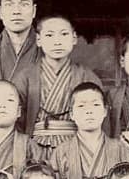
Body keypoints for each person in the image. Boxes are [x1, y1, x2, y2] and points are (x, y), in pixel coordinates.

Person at [13, 12, 101, 159]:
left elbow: (98, 119)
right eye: (49, 35)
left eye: (64, 34)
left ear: (74, 38)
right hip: (34, 148)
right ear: (38, 40)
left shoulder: (87, 76)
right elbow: (15, 120)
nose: (57, 42)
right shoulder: (25, 77)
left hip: (78, 147)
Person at [50, 83, 129, 179]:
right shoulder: (61, 153)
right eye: (81, 106)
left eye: (95, 105)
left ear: (105, 111)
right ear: (71, 114)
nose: (89, 111)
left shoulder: (121, 150)